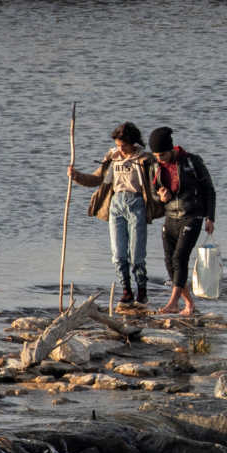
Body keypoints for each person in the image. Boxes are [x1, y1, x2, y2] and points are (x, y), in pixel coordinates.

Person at [69, 122, 158, 311]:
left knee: (137, 255)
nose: (120, 148)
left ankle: (141, 292)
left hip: (137, 205)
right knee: (118, 254)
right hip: (116, 206)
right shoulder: (113, 157)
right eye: (118, 145)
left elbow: (157, 182)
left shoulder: (144, 159)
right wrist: (76, 176)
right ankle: (126, 290)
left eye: (123, 145)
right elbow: (97, 179)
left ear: (133, 142)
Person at [146, 126, 216, 318]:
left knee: (180, 258)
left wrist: (210, 217)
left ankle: (172, 302)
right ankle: (188, 304)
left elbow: (209, 190)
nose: (159, 158)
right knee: (170, 262)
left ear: (171, 149)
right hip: (170, 216)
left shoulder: (191, 162)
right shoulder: (154, 165)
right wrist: (161, 196)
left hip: (192, 215)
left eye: (162, 154)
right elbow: (152, 192)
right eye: (156, 155)